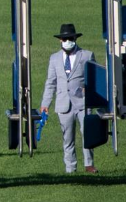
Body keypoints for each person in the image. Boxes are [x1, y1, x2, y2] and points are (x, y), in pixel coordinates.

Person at [41, 24, 96, 174]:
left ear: (75, 38)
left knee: (87, 134)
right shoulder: (54, 58)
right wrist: (45, 104)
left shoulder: (86, 55)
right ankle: (70, 168)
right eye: (65, 39)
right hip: (63, 103)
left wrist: (89, 90)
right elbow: (50, 82)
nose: (68, 41)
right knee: (67, 138)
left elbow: (94, 77)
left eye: (70, 38)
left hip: (83, 102)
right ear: (60, 40)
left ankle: (89, 164)